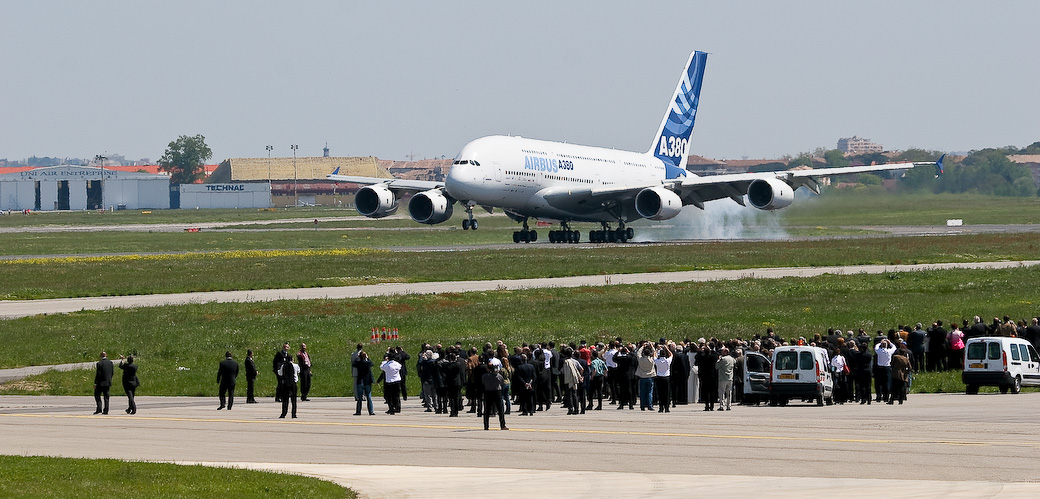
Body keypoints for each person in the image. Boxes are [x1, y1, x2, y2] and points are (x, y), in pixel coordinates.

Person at [482, 360, 509, 430]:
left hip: (488, 392)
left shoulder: (485, 376)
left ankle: (486, 425)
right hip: (497, 392)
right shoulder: (497, 375)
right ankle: (502, 425)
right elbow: (502, 382)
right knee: (500, 409)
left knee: (487, 410)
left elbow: (483, 382)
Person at [352, 350, 375, 415]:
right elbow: (371, 363)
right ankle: (371, 411)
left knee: (359, 398)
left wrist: (357, 357)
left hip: (360, 381)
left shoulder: (358, 363)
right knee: (369, 398)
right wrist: (367, 358)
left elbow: (353, 363)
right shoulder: (367, 363)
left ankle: (358, 411)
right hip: (367, 382)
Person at [635, 343, 656, 411]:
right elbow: (655, 352)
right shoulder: (652, 360)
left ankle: (642, 406)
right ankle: (650, 405)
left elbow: (638, 353)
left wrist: (642, 346)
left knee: (642, 392)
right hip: (650, 376)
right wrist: (652, 346)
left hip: (642, 377)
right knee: (650, 392)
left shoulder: (640, 359)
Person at [875, 338, 896, 403]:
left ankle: (879, 396)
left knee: (879, 382)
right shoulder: (889, 351)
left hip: (880, 368)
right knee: (887, 382)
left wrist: (880, 342)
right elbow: (894, 347)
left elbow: (876, 347)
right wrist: (889, 342)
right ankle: (886, 397)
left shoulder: (879, 351)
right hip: (887, 368)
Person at [715, 347, 735, 411]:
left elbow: (716, 366)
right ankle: (729, 405)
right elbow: (734, 363)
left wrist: (718, 360)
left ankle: (722, 405)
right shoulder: (732, 359)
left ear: (725, 352)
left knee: (722, 392)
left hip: (723, 377)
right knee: (729, 392)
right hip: (730, 377)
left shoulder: (722, 359)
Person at [653, 345, 672, 413]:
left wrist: (656, 349)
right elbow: (671, 354)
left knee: (660, 393)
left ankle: (661, 407)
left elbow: (654, 355)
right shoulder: (667, 361)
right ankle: (667, 407)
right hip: (666, 377)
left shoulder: (657, 361)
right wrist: (667, 349)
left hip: (659, 377)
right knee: (666, 393)